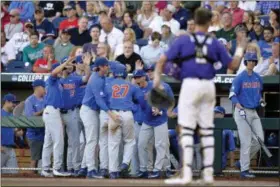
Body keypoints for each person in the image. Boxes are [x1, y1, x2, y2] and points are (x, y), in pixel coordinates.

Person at [153, 8, 246, 185]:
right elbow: (233, 64)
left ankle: (187, 175)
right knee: (206, 129)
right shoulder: (214, 42)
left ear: (194, 22)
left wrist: (157, 79)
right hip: (208, 85)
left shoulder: (184, 40)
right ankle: (208, 174)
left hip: (191, 84)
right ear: (210, 22)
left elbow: (162, 61)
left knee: (187, 129)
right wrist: (240, 47)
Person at [79, 57, 120, 178]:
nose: (108, 67)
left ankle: (85, 167)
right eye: (106, 65)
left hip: (92, 111)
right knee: (92, 140)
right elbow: (98, 99)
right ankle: (90, 170)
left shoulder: (102, 78)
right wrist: (110, 113)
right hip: (88, 110)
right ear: (100, 67)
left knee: (93, 140)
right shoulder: (96, 79)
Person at [105, 64, 145, 179]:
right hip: (127, 114)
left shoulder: (108, 84)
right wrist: (135, 107)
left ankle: (113, 171)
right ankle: (125, 163)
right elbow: (141, 101)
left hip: (113, 115)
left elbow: (103, 100)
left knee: (113, 143)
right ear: (125, 73)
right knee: (130, 141)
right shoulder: (131, 86)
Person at [229, 52, 264, 178]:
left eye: (254, 61)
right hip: (241, 110)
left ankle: (242, 162)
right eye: (249, 61)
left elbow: (258, 93)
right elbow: (232, 96)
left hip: (254, 111)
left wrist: (260, 100)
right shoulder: (239, 77)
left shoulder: (258, 77)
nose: (252, 63)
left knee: (260, 140)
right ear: (245, 62)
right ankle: (244, 170)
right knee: (246, 142)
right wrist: (239, 108)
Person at [136, 70, 174, 179]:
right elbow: (141, 105)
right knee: (141, 144)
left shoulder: (165, 86)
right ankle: (144, 169)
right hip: (147, 121)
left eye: (152, 71)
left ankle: (158, 170)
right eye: (148, 71)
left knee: (161, 145)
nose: (150, 73)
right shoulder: (142, 87)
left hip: (160, 120)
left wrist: (163, 109)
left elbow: (170, 101)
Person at [41, 58, 75, 177]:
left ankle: (45, 169)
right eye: (62, 68)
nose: (62, 70)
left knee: (48, 141)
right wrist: (63, 64)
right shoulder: (52, 79)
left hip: (53, 112)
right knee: (58, 140)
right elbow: (54, 72)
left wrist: (67, 67)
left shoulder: (59, 82)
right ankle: (57, 167)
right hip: (51, 110)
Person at [23, 79, 46, 174]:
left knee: (43, 159)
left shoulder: (46, 98)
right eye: (43, 87)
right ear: (38, 88)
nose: (45, 89)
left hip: (44, 132)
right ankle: (30, 180)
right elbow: (29, 117)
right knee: (34, 159)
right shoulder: (30, 100)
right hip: (34, 134)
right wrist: (42, 111)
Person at [1, 93, 22, 174]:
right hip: (1, 148)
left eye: (15, 103)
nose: (15, 104)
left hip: (10, 148)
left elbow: (15, 132)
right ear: (6, 102)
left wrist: (18, 132)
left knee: (14, 172)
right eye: (13, 102)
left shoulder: (13, 116)